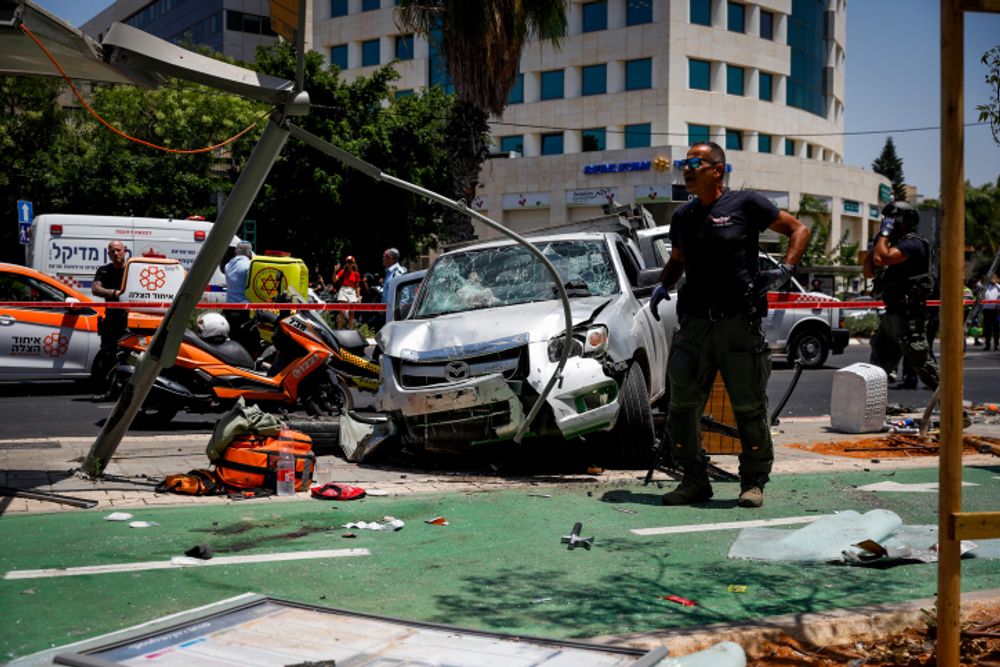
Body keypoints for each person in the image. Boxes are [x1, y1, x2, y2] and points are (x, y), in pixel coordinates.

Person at [648, 141, 809, 509]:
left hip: (739, 321)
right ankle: (693, 480)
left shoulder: (745, 204)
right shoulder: (683, 217)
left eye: (694, 163)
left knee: (748, 405)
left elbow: (798, 230)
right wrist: (663, 285)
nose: (685, 169)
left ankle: (753, 482)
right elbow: (677, 260)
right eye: (683, 163)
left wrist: (785, 270)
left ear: (717, 169)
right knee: (682, 405)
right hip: (694, 325)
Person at [863, 201, 939, 391]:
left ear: (903, 220)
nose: (886, 223)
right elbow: (868, 271)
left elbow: (882, 259)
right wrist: (876, 242)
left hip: (909, 316)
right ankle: (868, 411)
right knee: (877, 366)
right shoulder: (892, 244)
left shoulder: (914, 244)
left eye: (890, 219)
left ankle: (954, 410)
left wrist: (884, 235)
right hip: (892, 314)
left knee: (924, 366)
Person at [91, 240, 128, 397]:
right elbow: (95, 289)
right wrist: (115, 293)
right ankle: (108, 390)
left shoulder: (131, 270)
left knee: (128, 356)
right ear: (108, 253)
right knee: (107, 356)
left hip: (130, 320)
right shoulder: (104, 271)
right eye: (112, 251)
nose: (116, 253)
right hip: (112, 320)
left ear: (124, 251)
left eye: (118, 250)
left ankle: (126, 390)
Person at [224, 241, 258, 355]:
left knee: (234, 339)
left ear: (236, 252)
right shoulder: (250, 265)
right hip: (244, 310)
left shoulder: (228, 265)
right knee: (246, 341)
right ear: (249, 253)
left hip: (229, 308)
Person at [332, 255, 361, 328]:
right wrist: (335, 271)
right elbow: (334, 280)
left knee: (351, 313)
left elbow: (357, 287)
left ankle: (351, 330)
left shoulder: (357, 274)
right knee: (342, 311)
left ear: (353, 263)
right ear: (346, 263)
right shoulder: (342, 271)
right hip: (343, 290)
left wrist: (358, 297)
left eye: (351, 262)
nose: (349, 263)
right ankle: (339, 329)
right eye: (348, 262)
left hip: (352, 291)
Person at [983, 273, 1000, 351]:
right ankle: (987, 345)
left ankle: (996, 344)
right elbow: (981, 297)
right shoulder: (985, 287)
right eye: (991, 278)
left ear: (996, 279)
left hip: (995, 310)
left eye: (994, 278)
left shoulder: (999, 287)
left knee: (996, 328)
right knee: (987, 329)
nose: (993, 279)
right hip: (986, 310)